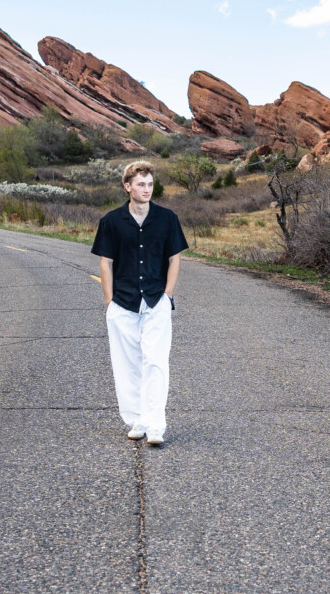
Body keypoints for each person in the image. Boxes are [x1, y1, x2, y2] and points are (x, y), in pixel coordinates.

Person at [91, 160, 188, 446]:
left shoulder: (167, 218)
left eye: (150, 184)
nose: (146, 189)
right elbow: (105, 262)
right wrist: (109, 303)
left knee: (156, 362)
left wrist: (168, 296)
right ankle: (137, 419)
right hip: (123, 302)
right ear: (128, 186)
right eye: (141, 184)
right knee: (127, 364)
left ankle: (156, 425)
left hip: (156, 299)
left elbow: (175, 258)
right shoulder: (110, 221)